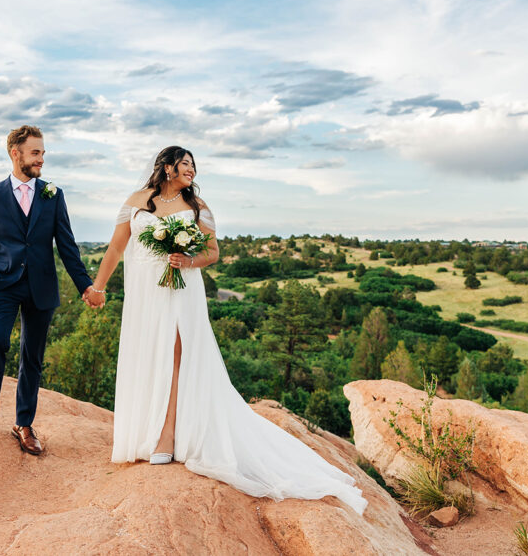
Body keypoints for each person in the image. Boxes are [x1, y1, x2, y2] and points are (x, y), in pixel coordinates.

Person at [89, 146, 367, 513]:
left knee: (176, 357)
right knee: (146, 357)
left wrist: (188, 259)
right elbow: (115, 248)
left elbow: (213, 252)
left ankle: (167, 438)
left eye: (193, 165)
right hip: (143, 294)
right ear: (168, 167)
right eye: (185, 164)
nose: (191, 170)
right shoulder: (137, 200)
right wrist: (99, 286)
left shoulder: (198, 206)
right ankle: (143, 431)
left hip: (180, 291)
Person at [0, 125, 105, 455]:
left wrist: (85, 286)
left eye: (42, 152)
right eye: (35, 152)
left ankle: (23, 424)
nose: (41, 159)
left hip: (42, 287)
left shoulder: (53, 194)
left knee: (32, 357)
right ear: (16, 153)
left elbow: (67, 246)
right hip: (2, 285)